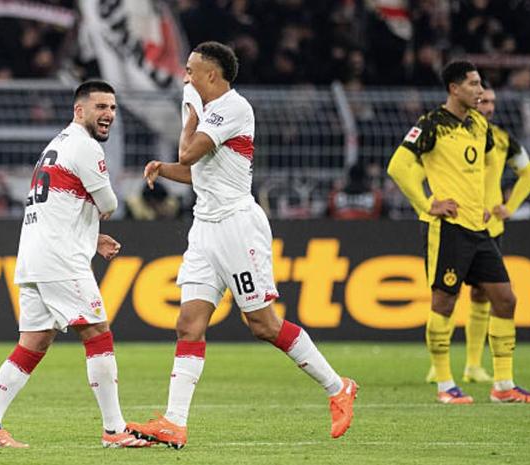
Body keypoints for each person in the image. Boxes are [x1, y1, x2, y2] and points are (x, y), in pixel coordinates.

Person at [126, 41, 357, 449]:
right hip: (205, 227)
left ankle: (338, 388)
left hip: (237, 227)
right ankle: (174, 422)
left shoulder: (232, 108)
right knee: (189, 324)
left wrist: (190, 112)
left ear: (211, 75)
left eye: (191, 70)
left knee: (262, 324)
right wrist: (164, 170)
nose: (185, 76)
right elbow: (197, 172)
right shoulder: (210, 111)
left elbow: (188, 152)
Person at [0, 81, 151, 448]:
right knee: (97, 332)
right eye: (101, 107)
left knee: (34, 341)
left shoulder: (56, 145)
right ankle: (114, 430)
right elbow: (109, 203)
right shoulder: (84, 146)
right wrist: (95, 221)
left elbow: (59, 205)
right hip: (60, 259)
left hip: (36, 255)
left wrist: (91, 236)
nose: (109, 114)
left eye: (113, 108)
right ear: (79, 110)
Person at [387, 61, 530, 404]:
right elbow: (397, 166)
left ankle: (503, 386)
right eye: (473, 84)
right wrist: (427, 203)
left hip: (480, 227)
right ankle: (445, 384)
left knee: (505, 299)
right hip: (449, 228)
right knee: (444, 302)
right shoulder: (431, 124)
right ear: (454, 88)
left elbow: (482, 169)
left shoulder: (479, 124)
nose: (480, 91)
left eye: (480, 84)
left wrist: (491, 204)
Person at [424, 84, 530, 384]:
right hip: (457, 223)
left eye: (492, 102)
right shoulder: (448, 135)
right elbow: (426, 169)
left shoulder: (501, 139)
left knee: (483, 295)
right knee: (446, 294)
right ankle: (440, 366)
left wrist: (509, 206)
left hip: (490, 228)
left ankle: (473, 365)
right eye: (483, 100)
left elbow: (528, 174)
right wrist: (429, 202)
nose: (488, 106)